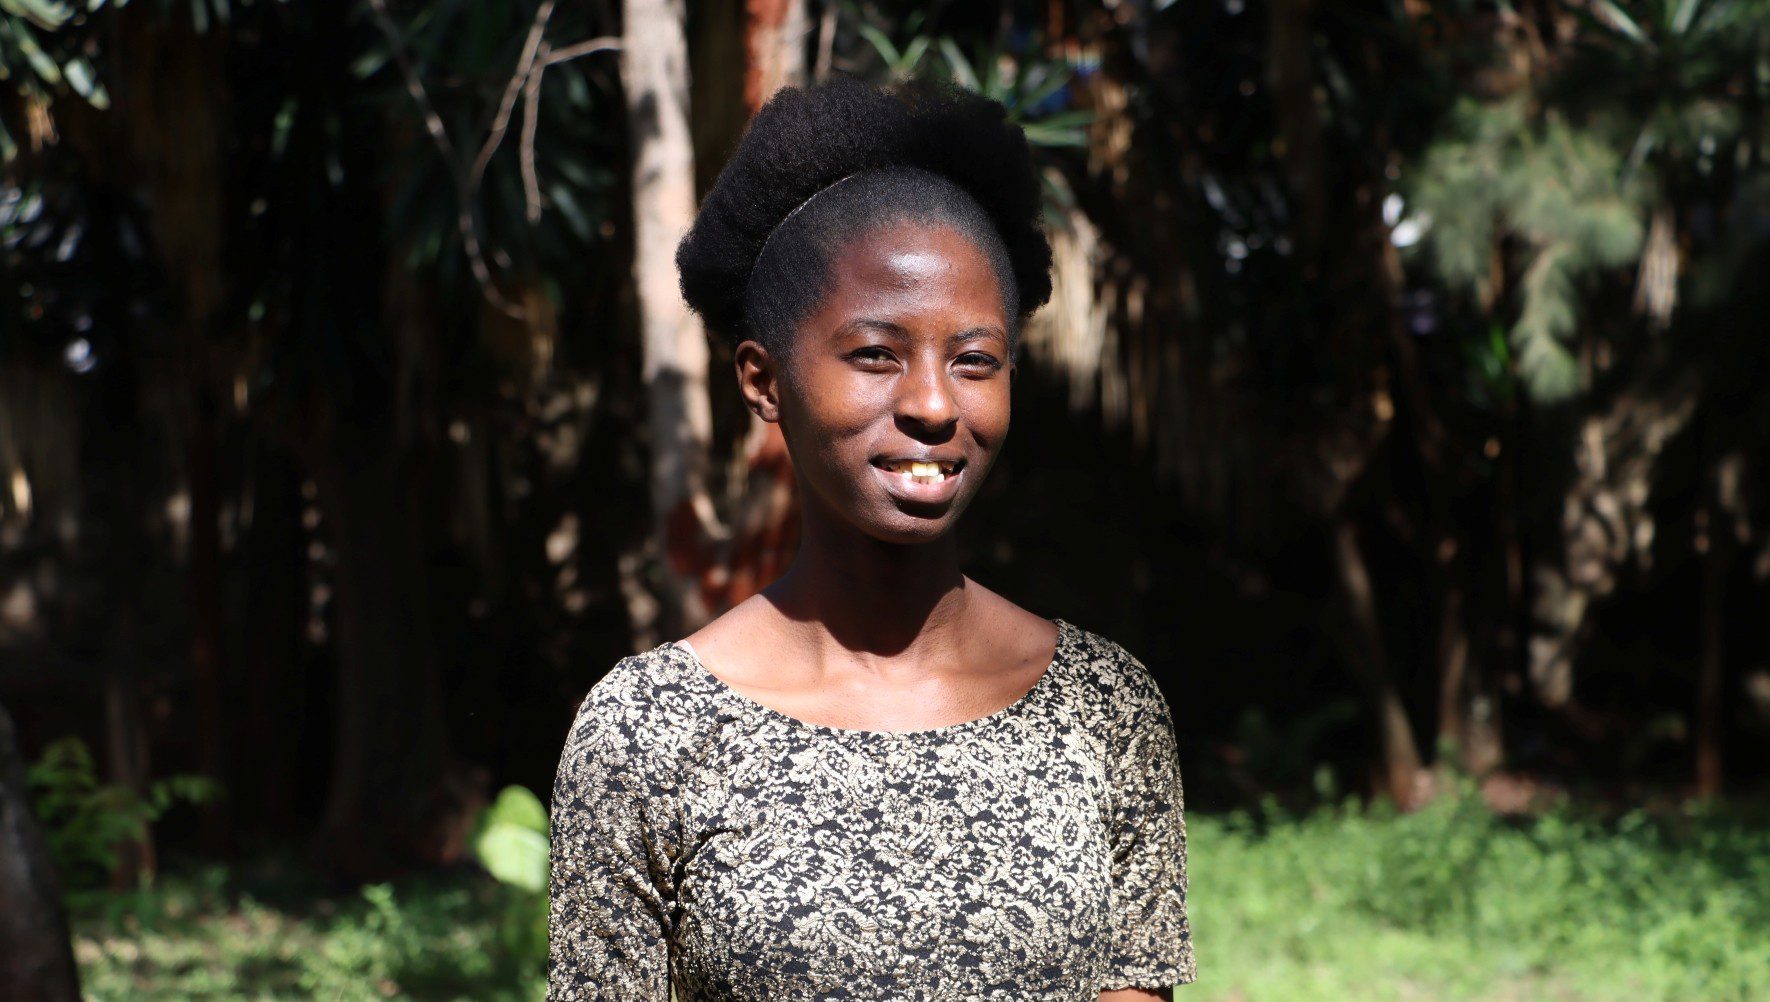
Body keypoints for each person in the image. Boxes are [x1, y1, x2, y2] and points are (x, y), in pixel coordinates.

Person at [548, 75, 1195, 1001]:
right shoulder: (649, 732)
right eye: (876, 355)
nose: (933, 404)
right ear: (764, 380)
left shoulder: (1103, 709)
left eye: (975, 360)